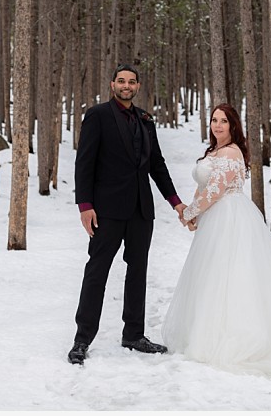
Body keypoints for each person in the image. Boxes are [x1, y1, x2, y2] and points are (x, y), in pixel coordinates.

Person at [162, 103, 271, 377]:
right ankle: (207, 330)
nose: (217, 125)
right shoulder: (213, 151)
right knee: (212, 277)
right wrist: (195, 215)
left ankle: (239, 338)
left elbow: (215, 190)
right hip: (213, 218)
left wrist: (190, 213)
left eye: (223, 121)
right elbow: (204, 186)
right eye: (214, 120)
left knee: (234, 276)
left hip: (230, 217)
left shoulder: (232, 152)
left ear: (233, 126)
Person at [68, 64, 185, 365]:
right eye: (121, 81)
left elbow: (157, 165)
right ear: (112, 85)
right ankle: (82, 339)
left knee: (138, 272)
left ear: (137, 86)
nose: (126, 86)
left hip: (141, 211)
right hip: (106, 211)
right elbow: (85, 163)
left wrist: (176, 202)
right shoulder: (98, 116)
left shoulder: (146, 120)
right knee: (97, 272)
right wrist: (85, 205)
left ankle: (134, 334)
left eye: (131, 82)